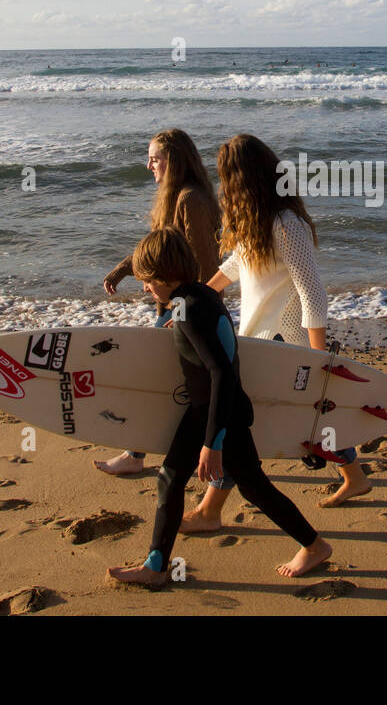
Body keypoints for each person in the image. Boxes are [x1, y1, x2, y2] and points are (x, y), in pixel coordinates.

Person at [108, 229, 332, 584]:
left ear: (165, 275)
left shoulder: (190, 310)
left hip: (218, 414)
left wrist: (214, 441)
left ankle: (315, 545)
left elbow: (222, 374)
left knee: (253, 487)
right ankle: (155, 567)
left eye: (148, 281)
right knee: (170, 478)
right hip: (206, 411)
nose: (146, 289)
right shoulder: (196, 297)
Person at [180, 134, 370, 533]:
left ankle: (211, 509)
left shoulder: (286, 224)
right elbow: (237, 264)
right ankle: (355, 477)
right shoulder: (257, 219)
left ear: (243, 178)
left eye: (226, 178)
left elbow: (312, 292)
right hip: (256, 337)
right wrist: (194, 297)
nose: (223, 188)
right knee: (299, 421)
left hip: (284, 344)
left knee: (241, 424)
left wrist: (319, 358)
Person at [95, 129, 221, 475]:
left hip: (184, 312)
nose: (148, 164)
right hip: (173, 308)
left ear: (174, 161)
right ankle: (142, 453)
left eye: (155, 158)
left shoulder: (190, 200)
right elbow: (157, 248)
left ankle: (138, 455)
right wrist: (122, 270)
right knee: (167, 384)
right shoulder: (174, 197)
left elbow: (208, 266)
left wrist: (187, 313)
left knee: (157, 381)